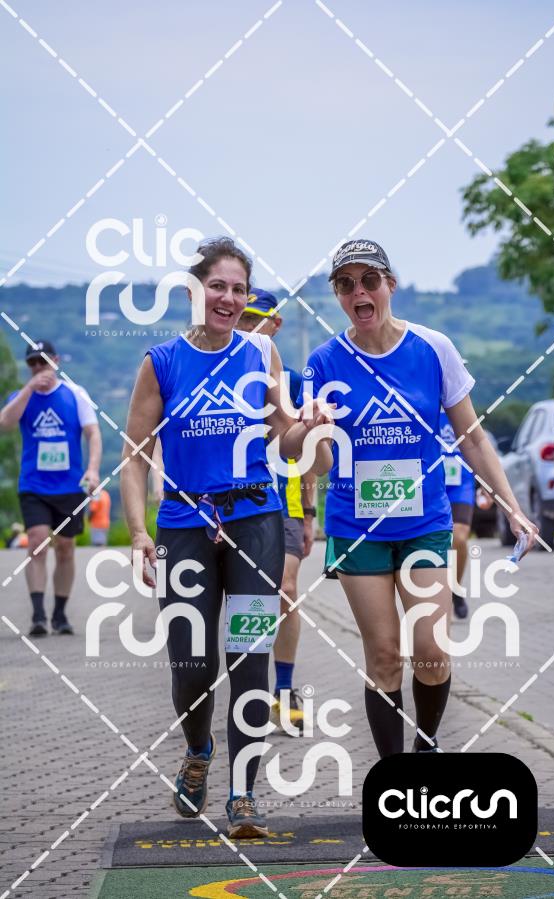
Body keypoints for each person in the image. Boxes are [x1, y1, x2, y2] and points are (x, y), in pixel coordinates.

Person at [120, 238, 331, 837]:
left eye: (239, 289)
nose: (229, 298)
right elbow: (134, 456)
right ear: (195, 291)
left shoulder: (261, 353)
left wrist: (309, 428)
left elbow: (284, 441)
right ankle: (198, 749)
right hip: (183, 523)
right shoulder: (162, 361)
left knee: (248, 658)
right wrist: (137, 533)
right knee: (191, 664)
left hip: (255, 519)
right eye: (218, 286)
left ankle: (243, 794)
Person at [302, 239, 538, 756]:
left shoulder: (433, 348)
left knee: (431, 653)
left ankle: (426, 747)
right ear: (338, 295)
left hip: (424, 522)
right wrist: (317, 433)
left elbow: (472, 438)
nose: (359, 292)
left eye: (370, 281)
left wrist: (513, 507)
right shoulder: (324, 363)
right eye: (346, 284)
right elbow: (316, 465)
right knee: (385, 656)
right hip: (357, 527)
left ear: (390, 285)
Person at [237, 289, 317, 733]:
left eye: (255, 319)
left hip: (285, 504)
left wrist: (309, 511)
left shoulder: (295, 382)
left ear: (276, 324)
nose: (247, 327)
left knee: (285, 590)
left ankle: (284, 691)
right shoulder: (228, 370)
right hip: (237, 504)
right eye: (242, 319)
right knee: (247, 602)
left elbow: (306, 450)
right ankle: (248, 692)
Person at [0, 339, 101, 636]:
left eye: (42, 361)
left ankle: (59, 613)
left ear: (55, 362)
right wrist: (29, 389)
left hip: (69, 486)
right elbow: (5, 423)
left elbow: (93, 433)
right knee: (37, 541)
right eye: (32, 363)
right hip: (34, 484)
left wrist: (93, 469)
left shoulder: (75, 394)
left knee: (66, 548)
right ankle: (38, 615)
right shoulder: (21, 396)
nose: (38, 367)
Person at [439, 407, 475, 619]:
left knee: (459, 537)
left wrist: (486, 488)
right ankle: (443, 592)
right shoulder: (420, 402)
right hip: (433, 481)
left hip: (461, 483)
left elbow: (477, 445)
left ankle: (455, 588)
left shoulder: (459, 405)